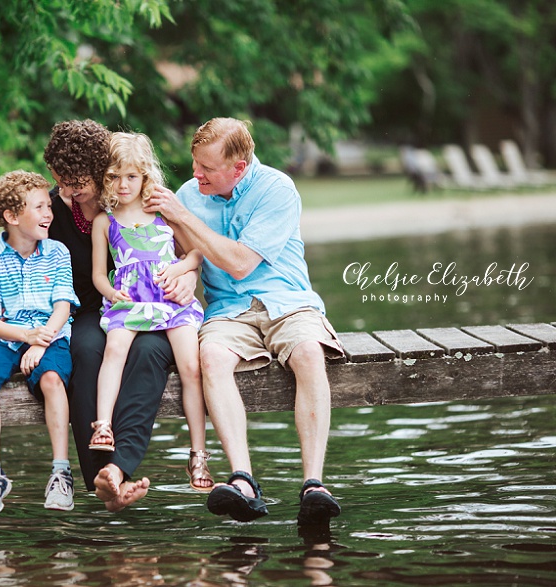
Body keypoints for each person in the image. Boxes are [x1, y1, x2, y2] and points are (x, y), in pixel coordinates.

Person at [146, 117, 345, 525]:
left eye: (207, 168)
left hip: (287, 301)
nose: (196, 174)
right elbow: (188, 255)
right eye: (194, 164)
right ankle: (243, 481)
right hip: (227, 311)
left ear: (238, 167)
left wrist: (184, 216)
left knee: (308, 352)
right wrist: (184, 275)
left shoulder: (276, 189)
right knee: (212, 358)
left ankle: (314, 484)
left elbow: (239, 263)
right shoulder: (189, 194)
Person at [43, 120, 203, 511]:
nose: (69, 192)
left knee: (148, 354)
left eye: (78, 182)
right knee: (85, 351)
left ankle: (120, 468)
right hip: (85, 306)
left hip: (153, 304)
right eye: (62, 182)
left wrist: (188, 276)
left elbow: (183, 250)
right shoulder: (55, 208)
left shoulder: (142, 202)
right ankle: (102, 478)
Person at [88, 132, 212, 493]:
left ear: (145, 175)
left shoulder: (161, 210)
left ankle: (199, 454)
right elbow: (99, 273)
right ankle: (104, 426)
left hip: (171, 299)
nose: (122, 184)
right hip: (130, 300)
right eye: (113, 176)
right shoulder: (104, 221)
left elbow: (194, 253)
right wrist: (112, 292)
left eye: (131, 176)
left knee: (191, 365)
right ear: (104, 178)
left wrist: (180, 270)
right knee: (114, 350)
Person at [0, 170, 80, 518]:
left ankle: (60, 472)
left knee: (53, 379)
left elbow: (62, 307)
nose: (49, 213)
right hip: (8, 338)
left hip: (50, 335)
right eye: (39, 207)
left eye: (48, 206)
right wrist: (25, 337)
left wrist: (41, 342)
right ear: (12, 217)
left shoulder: (57, 253)